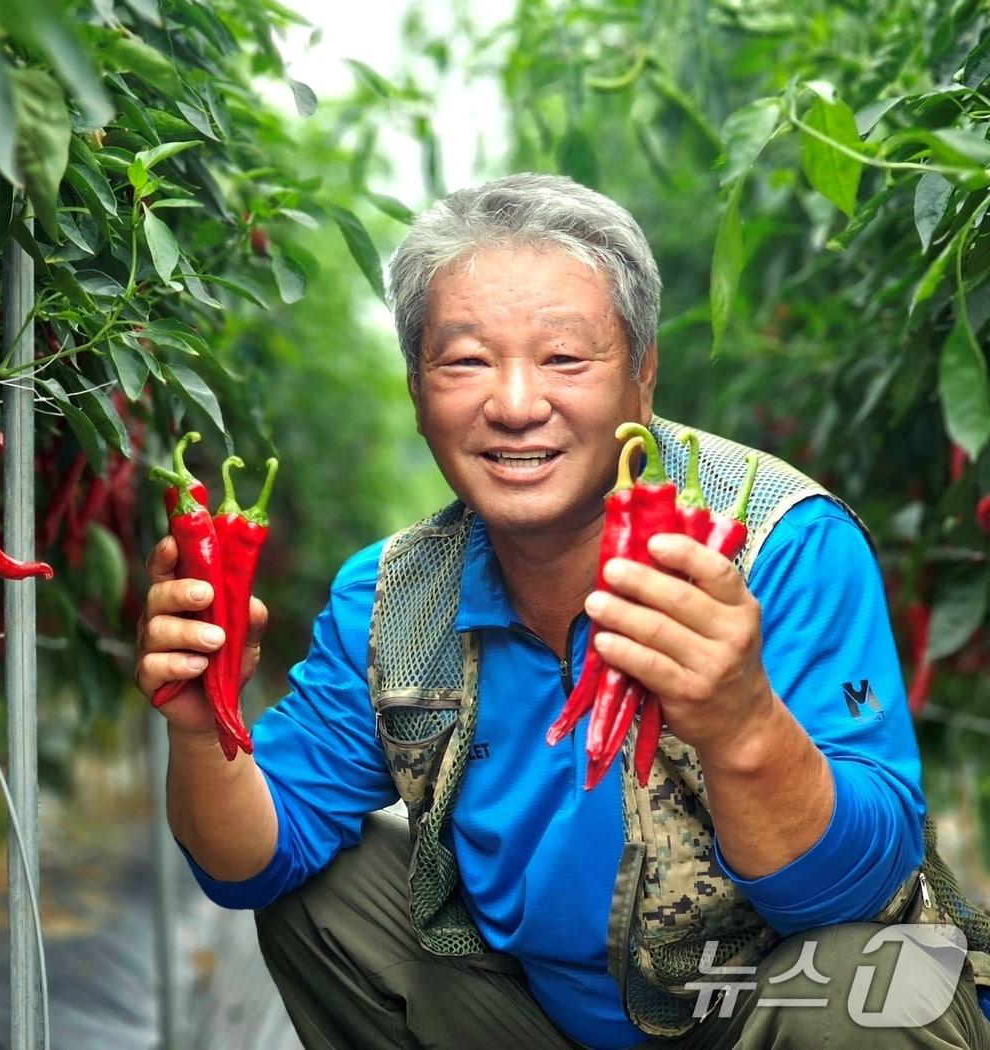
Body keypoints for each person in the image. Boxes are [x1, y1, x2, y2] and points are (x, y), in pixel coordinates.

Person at [133, 173, 990, 1049]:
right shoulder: (393, 598)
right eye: (465, 360)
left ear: (642, 377)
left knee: (861, 982)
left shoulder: (777, 546)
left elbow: (858, 892)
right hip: (548, 1020)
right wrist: (205, 732)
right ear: (418, 392)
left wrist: (743, 726)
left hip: (760, 1013)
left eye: (565, 359)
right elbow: (247, 864)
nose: (513, 405)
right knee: (321, 899)